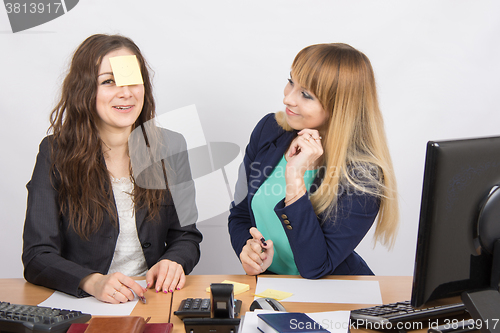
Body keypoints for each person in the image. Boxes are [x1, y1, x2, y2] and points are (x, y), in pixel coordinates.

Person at [22, 34, 202, 303]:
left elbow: (186, 236)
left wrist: (174, 261)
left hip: (152, 298)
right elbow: (38, 255)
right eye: (109, 81)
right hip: (85, 301)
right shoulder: (55, 152)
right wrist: (92, 281)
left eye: (133, 81)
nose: (126, 93)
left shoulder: (170, 146)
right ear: (84, 90)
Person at [228, 43, 399, 278]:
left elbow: (315, 267)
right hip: (273, 288)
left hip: (335, 293)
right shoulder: (269, 130)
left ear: (340, 107)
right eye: (291, 82)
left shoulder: (364, 174)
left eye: (306, 94)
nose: (288, 98)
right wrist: (247, 250)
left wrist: (295, 179)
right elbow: (239, 214)